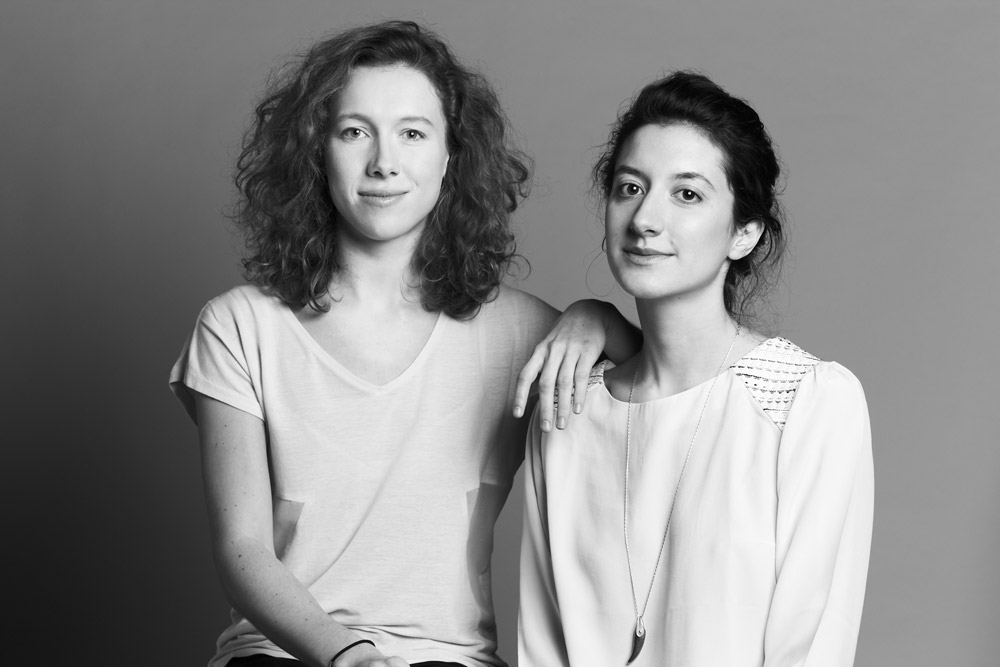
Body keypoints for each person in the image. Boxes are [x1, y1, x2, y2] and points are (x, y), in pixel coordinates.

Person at [169, 20, 638, 667]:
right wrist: (348, 655)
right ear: (316, 150)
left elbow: (670, 385)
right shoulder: (238, 327)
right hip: (281, 655)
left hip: (450, 659)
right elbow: (242, 550)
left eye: (412, 133)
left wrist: (597, 318)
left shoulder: (521, 329)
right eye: (354, 131)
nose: (383, 162)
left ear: (449, 156)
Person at [519, 71, 874, 667]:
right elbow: (541, 644)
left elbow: (812, 647)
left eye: (687, 194)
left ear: (744, 233)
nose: (645, 219)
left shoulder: (806, 403)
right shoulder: (567, 408)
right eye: (630, 187)